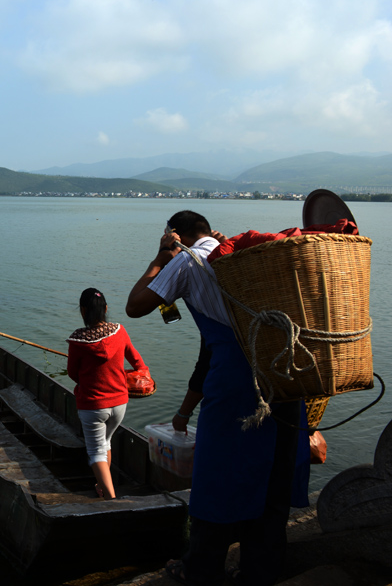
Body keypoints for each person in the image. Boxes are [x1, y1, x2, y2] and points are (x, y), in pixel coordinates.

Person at [125, 210, 308, 586]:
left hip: (236, 381)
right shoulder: (243, 254)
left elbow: (135, 305)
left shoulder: (187, 263)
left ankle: (202, 569)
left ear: (178, 234)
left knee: (217, 474)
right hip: (284, 371)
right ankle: (262, 570)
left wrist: (161, 257)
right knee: (273, 472)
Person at [67, 288, 147, 500]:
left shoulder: (78, 340)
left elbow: (73, 374)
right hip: (120, 404)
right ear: (106, 309)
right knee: (106, 443)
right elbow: (138, 362)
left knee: (95, 453)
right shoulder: (119, 331)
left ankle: (112, 500)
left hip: (93, 406)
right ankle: (102, 487)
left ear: (83, 310)